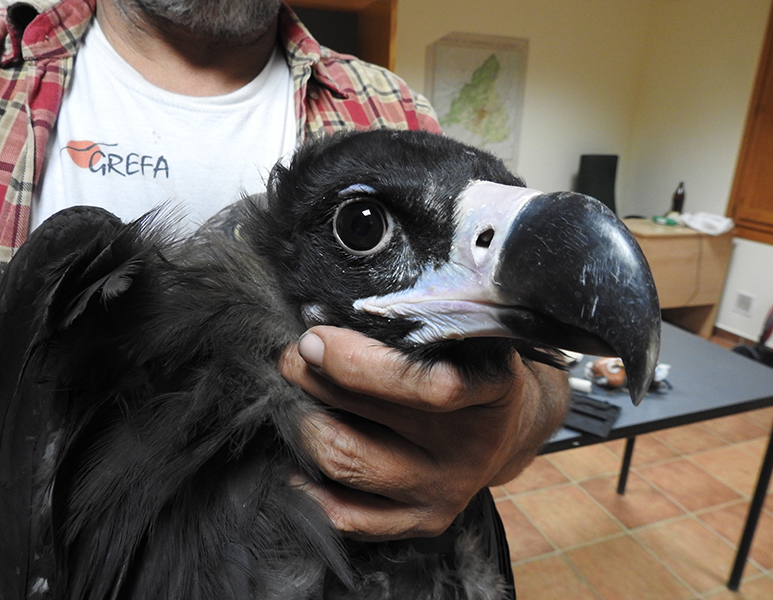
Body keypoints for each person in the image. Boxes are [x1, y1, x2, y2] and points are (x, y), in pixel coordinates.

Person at [0, 0, 569, 570]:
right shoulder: (11, 83)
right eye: (363, 228)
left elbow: (534, 371)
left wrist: (508, 420)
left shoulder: (390, 103)